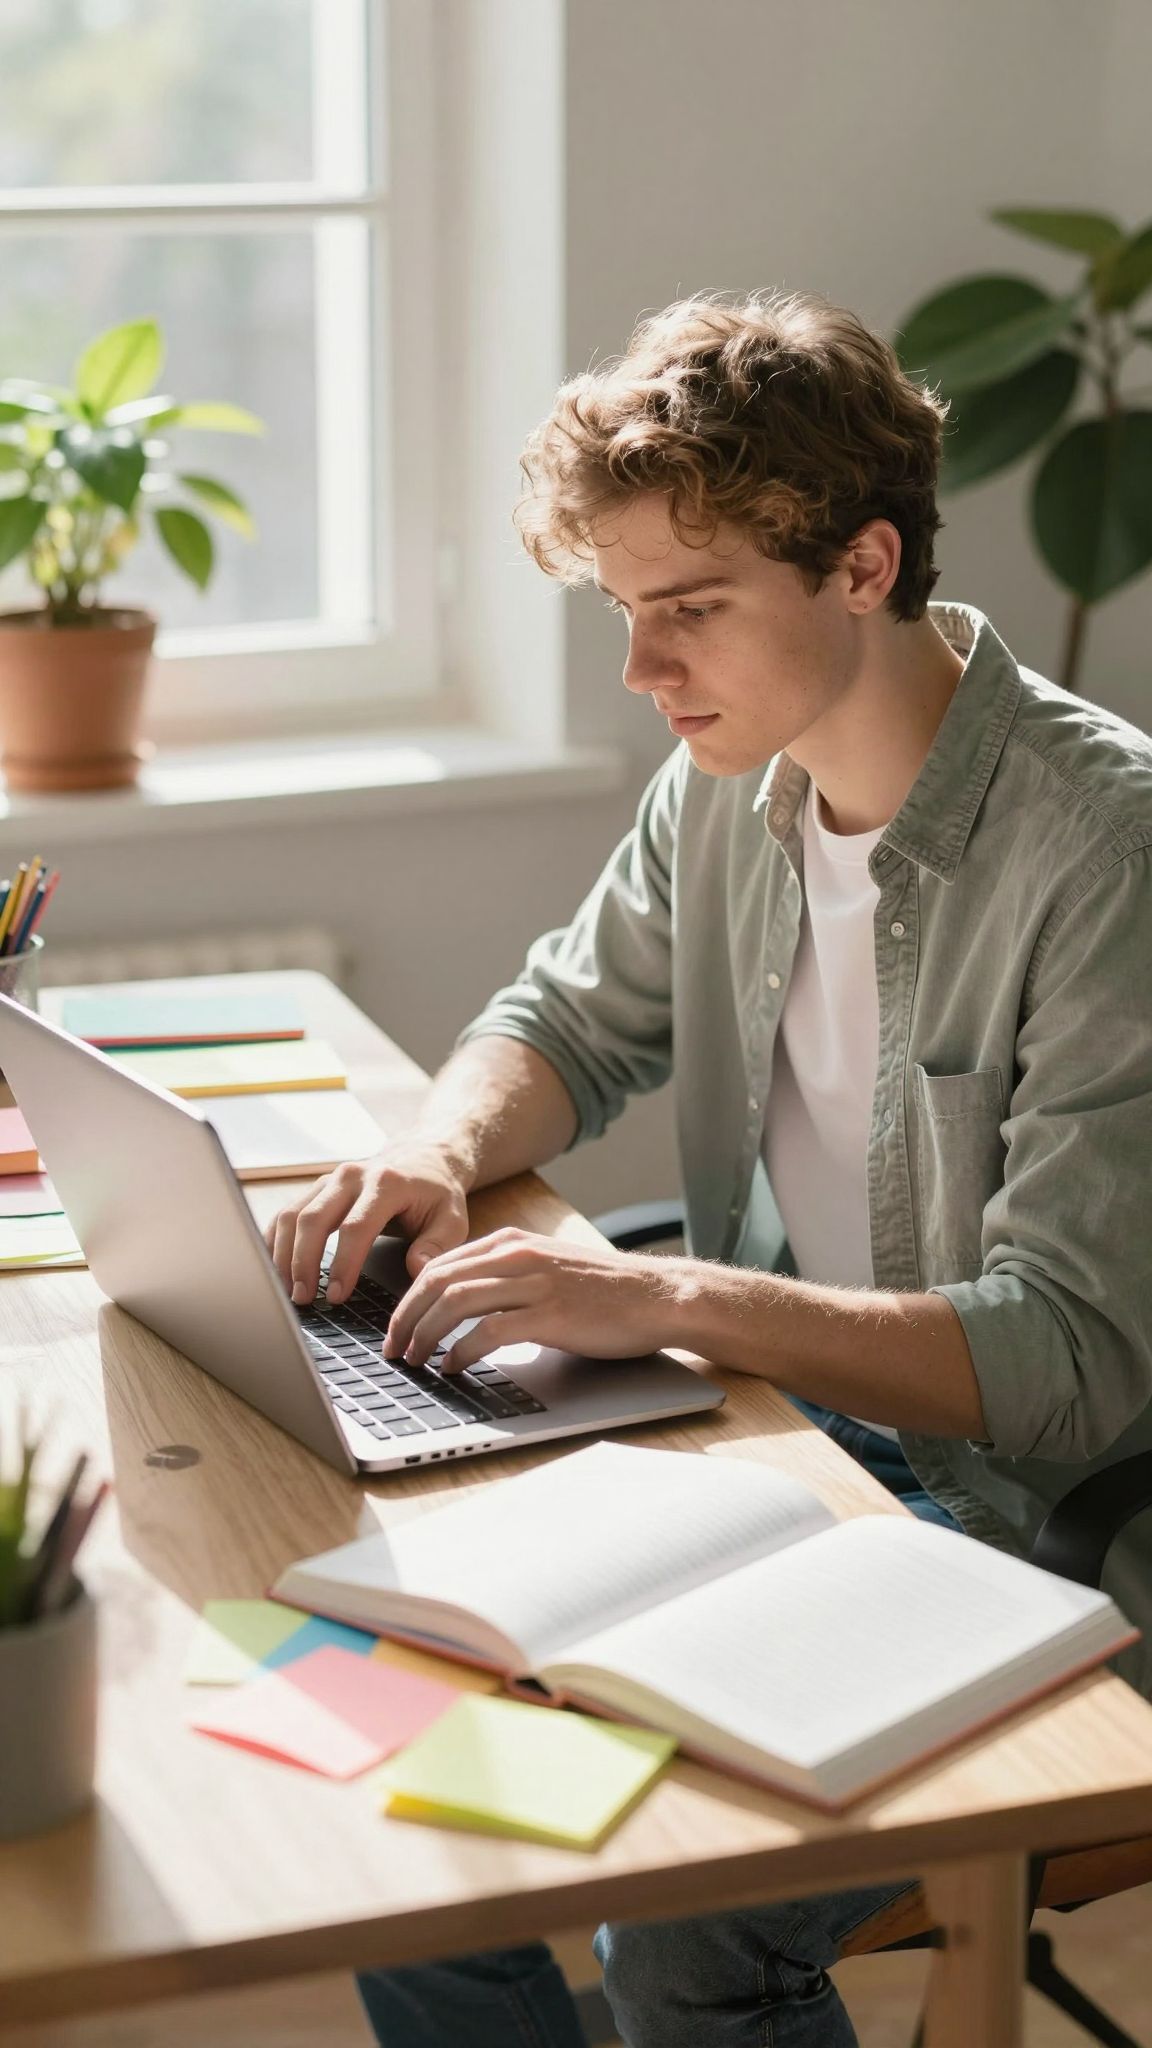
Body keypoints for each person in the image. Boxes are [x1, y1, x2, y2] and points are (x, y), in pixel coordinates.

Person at [267, 289, 1152, 2047]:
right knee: (395, 1777)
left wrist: (660, 1294)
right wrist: (434, 1157)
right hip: (773, 1443)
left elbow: (1064, 1367)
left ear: (861, 565)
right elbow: (566, 1019)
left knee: (693, 1919)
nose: (642, 672)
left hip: (1036, 1519)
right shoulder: (724, 783)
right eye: (622, 613)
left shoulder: (1107, 851)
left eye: (688, 612)